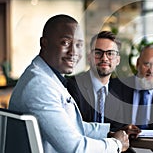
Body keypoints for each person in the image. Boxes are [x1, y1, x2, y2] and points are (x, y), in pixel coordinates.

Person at [8, 14, 129, 153]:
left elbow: (72, 126)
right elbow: (75, 148)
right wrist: (116, 144)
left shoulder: (49, 77)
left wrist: (108, 132)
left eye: (78, 45)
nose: (73, 52)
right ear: (44, 43)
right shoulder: (39, 86)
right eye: (65, 43)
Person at [67, 31, 122, 123]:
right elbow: (74, 127)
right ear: (89, 57)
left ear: (118, 60)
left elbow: (116, 128)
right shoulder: (73, 86)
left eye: (110, 53)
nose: (104, 58)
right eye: (98, 52)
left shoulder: (118, 92)